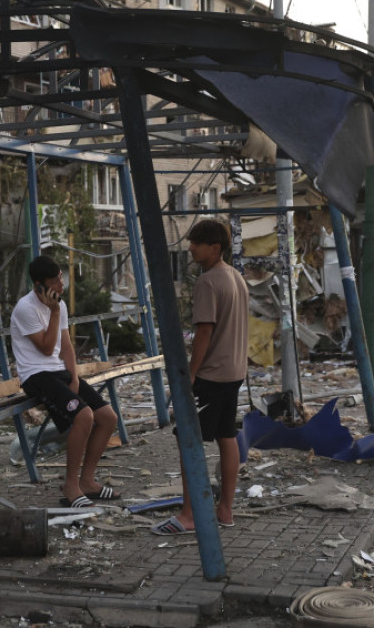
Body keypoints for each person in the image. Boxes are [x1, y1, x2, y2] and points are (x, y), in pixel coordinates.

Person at [151, 219, 248, 535]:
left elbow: (204, 331)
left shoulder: (208, 282)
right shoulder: (236, 278)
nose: (190, 247)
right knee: (226, 434)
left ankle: (190, 515)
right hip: (234, 371)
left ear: (215, 247)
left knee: (187, 438)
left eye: (196, 243)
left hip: (212, 375)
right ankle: (225, 510)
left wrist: (190, 375)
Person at [10, 255, 120, 508]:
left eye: (61, 278)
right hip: (36, 375)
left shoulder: (59, 305)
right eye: (55, 281)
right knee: (84, 417)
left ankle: (88, 481)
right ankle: (71, 485)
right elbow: (47, 348)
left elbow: (66, 346)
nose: (61, 285)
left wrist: (74, 377)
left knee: (107, 417)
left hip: (59, 372)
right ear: (39, 285)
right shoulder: (26, 308)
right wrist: (55, 311)